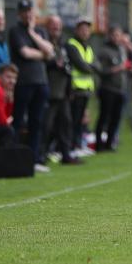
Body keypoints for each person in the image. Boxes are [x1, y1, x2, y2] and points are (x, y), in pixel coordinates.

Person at [8, 0, 55, 173]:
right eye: (24, 11)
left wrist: (32, 33)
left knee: (37, 122)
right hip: (24, 82)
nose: (28, 14)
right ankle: (12, 157)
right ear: (20, 14)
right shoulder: (15, 31)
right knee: (18, 120)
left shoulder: (39, 31)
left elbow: (50, 52)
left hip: (41, 82)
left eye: (30, 11)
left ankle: (34, 159)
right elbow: (25, 53)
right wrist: (42, 53)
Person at [43, 16, 81, 165]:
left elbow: (69, 68)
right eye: (53, 25)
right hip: (50, 91)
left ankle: (66, 154)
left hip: (63, 91)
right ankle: (41, 154)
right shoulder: (44, 43)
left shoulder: (63, 45)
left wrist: (70, 89)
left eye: (58, 25)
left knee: (66, 122)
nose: (56, 28)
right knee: (47, 125)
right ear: (47, 27)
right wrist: (54, 64)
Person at [66, 18, 98, 156]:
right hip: (75, 88)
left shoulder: (88, 47)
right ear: (76, 30)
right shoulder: (72, 44)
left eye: (87, 29)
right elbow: (82, 65)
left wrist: (91, 67)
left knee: (81, 120)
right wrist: (92, 67)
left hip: (86, 89)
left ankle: (78, 144)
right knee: (73, 119)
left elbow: (96, 65)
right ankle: (72, 146)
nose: (85, 32)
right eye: (82, 29)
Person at [96, 25, 130, 151]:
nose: (116, 38)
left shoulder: (122, 50)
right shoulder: (104, 51)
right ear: (110, 36)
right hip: (108, 89)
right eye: (114, 35)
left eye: (118, 35)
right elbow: (101, 70)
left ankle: (110, 143)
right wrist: (116, 69)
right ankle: (99, 144)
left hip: (120, 89)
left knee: (116, 118)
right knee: (104, 117)